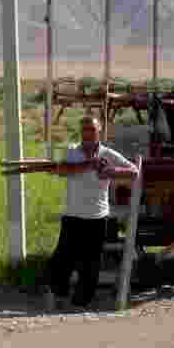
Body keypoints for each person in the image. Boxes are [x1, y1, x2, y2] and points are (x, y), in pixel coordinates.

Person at [44, 114, 139, 311]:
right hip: (72, 215)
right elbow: (61, 170)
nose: (88, 134)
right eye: (84, 130)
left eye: (92, 130)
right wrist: (88, 165)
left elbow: (134, 172)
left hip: (96, 216)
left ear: (99, 132)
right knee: (62, 258)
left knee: (90, 263)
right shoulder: (72, 151)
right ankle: (59, 294)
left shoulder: (108, 154)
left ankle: (81, 303)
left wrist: (110, 172)